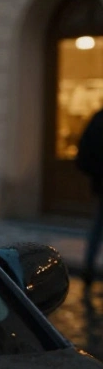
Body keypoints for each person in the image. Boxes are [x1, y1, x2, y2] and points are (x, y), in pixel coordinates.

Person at [76, 107, 103, 288]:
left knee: (97, 227)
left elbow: (83, 153)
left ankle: (88, 268)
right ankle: (88, 267)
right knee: (97, 227)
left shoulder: (98, 118)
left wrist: (96, 173)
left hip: (101, 183)